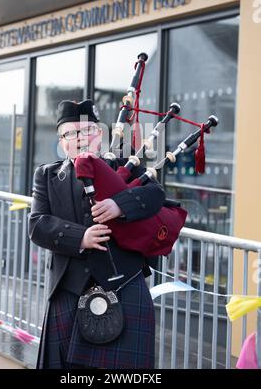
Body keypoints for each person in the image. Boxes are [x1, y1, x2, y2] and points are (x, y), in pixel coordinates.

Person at [28, 99, 165, 369]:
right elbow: (37, 224)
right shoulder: (46, 175)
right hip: (69, 289)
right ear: (61, 140)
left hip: (125, 286)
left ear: (100, 134)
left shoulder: (126, 166)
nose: (80, 138)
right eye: (71, 133)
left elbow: (155, 195)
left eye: (87, 131)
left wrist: (118, 206)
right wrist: (81, 237)